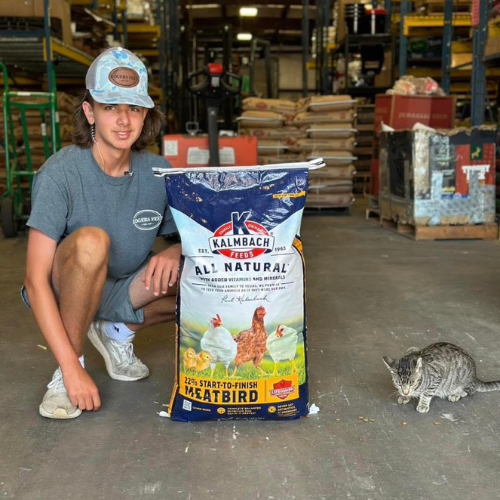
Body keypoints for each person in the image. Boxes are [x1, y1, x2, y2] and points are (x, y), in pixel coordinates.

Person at [22, 47, 181, 419]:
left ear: (146, 115)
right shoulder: (60, 173)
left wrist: (175, 250)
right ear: (90, 112)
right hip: (69, 289)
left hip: (124, 288)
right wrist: (73, 368)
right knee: (92, 241)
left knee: (203, 274)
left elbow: (186, 239)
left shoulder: (158, 171)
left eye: (134, 108)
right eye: (111, 107)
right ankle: (65, 371)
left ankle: (116, 331)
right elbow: (34, 280)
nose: (124, 120)